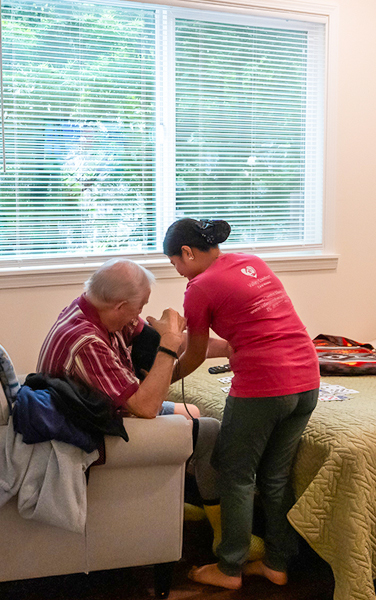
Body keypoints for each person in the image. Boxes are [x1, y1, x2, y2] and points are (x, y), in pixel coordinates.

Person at [163, 217, 320, 590]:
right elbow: (239, 337)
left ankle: (230, 568)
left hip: (265, 385)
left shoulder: (199, 287)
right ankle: (277, 563)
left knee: (235, 474)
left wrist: (158, 381)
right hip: (307, 378)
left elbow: (195, 354)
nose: (180, 274)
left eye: (176, 265)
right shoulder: (253, 263)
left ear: (187, 252)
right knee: (275, 476)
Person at [36, 257, 222, 543]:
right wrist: (168, 344)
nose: (142, 314)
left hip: (95, 409)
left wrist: (230, 346)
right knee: (209, 430)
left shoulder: (93, 307)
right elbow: (146, 408)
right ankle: (222, 533)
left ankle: (176, 499)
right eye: (140, 306)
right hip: (92, 430)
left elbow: (155, 337)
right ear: (121, 306)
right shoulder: (87, 342)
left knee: (192, 411)